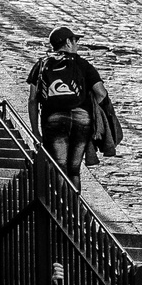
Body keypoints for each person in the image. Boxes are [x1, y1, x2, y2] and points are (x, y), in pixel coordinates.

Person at [27, 26, 109, 188]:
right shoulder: (83, 65)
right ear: (68, 42)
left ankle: (60, 207)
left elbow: (32, 99)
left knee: (59, 166)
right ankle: (74, 208)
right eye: (75, 40)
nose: (77, 44)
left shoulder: (42, 64)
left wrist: (35, 130)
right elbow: (101, 93)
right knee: (74, 169)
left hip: (53, 119)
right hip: (82, 119)